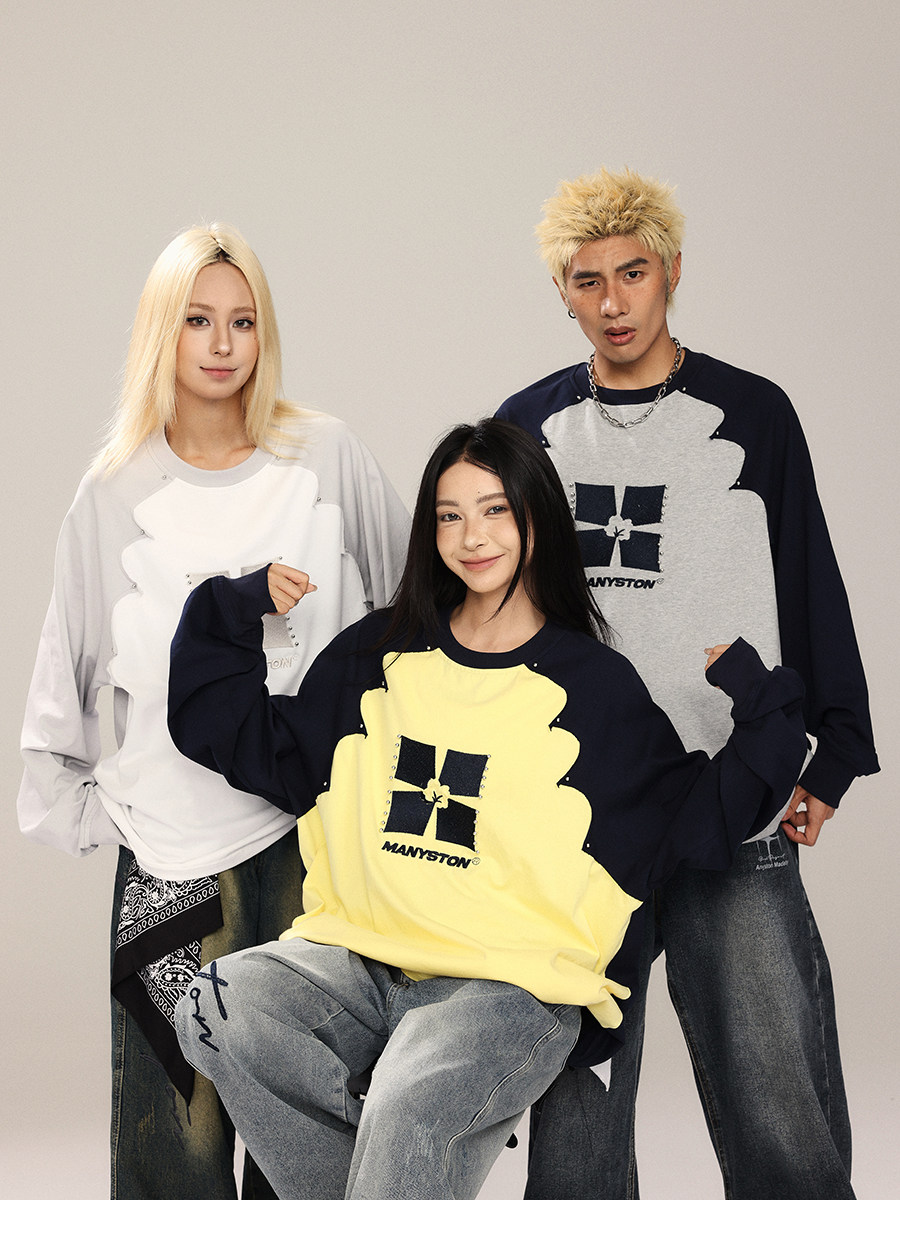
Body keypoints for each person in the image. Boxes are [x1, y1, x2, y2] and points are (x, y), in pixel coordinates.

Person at [166, 418, 807, 1200]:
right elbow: (237, 734)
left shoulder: (593, 687)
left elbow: (695, 818)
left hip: (509, 988)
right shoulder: (377, 656)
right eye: (450, 514)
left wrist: (761, 704)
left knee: (407, 1094)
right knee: (215, 1006)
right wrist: (230, 611)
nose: (472, 536)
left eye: (495, 509)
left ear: (537, 517)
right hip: (359, 963)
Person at [494, 168, 880, 1200]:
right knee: (575, 1142)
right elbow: (489, 607)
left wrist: (835, 752)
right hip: (579, 819)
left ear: (671, 272)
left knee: (781, 1118)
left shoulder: (753, 415)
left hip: (731, 795)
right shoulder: (527, 430)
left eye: (633, 273)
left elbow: (807, 578)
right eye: (588, 281)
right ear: (562, 292)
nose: (613, 302)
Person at [17, 223, 410, 1199]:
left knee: (309, 1154)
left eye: (243, 320)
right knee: (172, 1158)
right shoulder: (113, 492)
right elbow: (58, 697)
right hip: (174, 874)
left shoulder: (326, 457)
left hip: (321, 862)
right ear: (163, 329)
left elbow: (423, 619)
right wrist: (120, 818)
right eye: (198, 320)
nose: (223, 343)